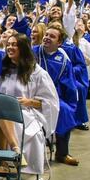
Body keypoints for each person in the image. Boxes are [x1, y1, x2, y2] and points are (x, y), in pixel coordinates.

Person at [0, 32, 59, 176]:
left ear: (23, 48)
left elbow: (51, 102)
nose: (9, 48)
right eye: (8, 44)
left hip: (28, 113)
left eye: (14, 45)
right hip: (6, 113)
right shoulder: (5, 70)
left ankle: (6, 160)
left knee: (0, 112)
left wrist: (29, 101)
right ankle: (11, 154)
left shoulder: (37, 73)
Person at [32, 23, 79, 166]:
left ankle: (62, 153)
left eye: (52, 36)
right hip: (31, 93)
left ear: (59, 43)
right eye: (46, 35)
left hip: (54, 97)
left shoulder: (64, 60)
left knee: (65, 111)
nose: (47, 38)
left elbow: (68, 85)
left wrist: (70, 103)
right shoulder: (33, 52)